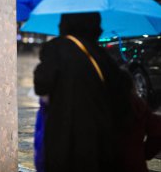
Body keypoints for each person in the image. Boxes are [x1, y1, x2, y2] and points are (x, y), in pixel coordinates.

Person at [34, 12, 131, 172]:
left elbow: (41, 85)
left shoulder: (56, 48)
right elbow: (121, 99)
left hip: (64, 140)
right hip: (100, 144)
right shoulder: (102, 55)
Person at [117, 70, 161, 172]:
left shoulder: (101, 106)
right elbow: (158, 130)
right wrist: (144, 153)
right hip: (135, 165)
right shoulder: (137, 105)